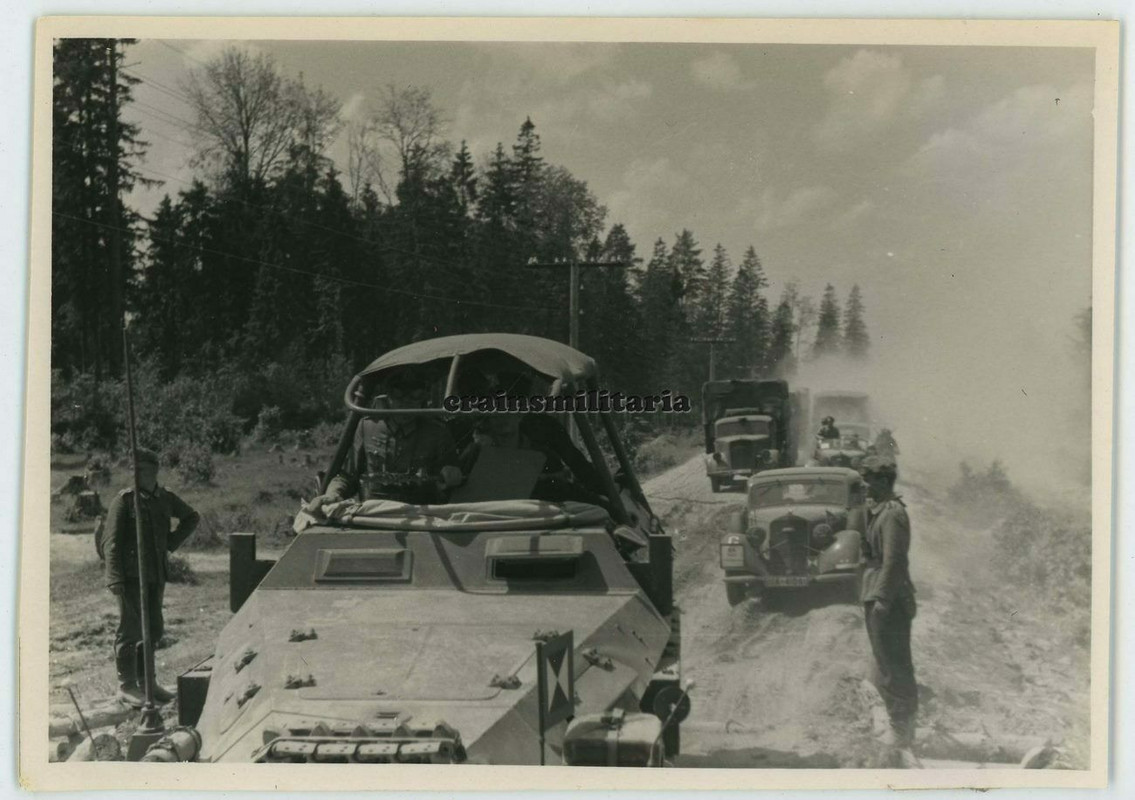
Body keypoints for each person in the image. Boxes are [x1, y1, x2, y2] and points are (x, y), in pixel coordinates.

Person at [103, 447, 199, 708]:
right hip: (131, 578)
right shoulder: (124, 501)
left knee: (153, 627)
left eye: (141, 470)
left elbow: (191, 517)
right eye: (132, 469)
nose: (135, 474)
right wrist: (114, 578)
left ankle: (148, 682)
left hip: (155, 573)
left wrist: (170, 543)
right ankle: (128, 686)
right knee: (130, 628)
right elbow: (110, 543)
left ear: (154, 470)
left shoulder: (165, 498)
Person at [307, 375, 463, 508]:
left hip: (422, 516)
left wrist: (451, 478)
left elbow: (451, 481)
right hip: (374, 514)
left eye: (414, 397)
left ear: (422, 399)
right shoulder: (367, 427)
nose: (405, 404)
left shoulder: (437, 432)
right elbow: (348, 476)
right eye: (399, 396)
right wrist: (334, 494)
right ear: (388, 397)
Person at [857, 455, 918, 754]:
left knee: (895, 665)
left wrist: (882, 598)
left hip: (889, 599)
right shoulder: (879, 511)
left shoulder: (893, 513)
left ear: (882, 481)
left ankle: (903, 731)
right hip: (879, 594)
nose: (864, 486)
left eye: (868, 480)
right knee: (884, 663)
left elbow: (894, 561)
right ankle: (896, 726)